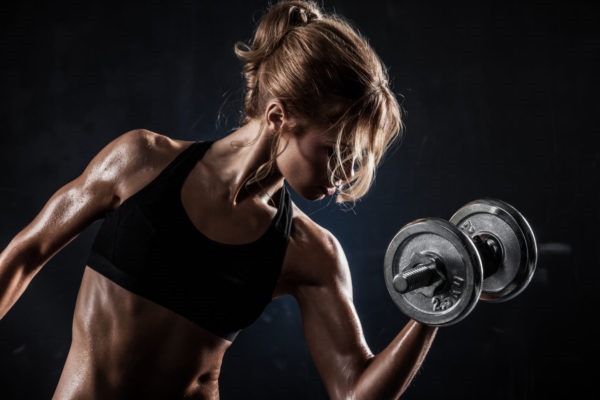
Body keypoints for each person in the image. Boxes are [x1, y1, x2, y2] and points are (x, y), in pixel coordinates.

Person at [0, 1, 438, 399]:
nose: (344, 175)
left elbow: (354, 392)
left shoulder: (311, 253)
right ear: (278, 117)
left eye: (354, 157)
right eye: (333, 151)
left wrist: (435, 308)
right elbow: (25, 253)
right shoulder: (140, 163)